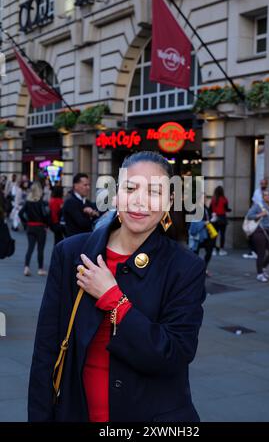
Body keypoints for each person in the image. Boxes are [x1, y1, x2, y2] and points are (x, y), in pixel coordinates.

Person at [28, 151, 206, 422]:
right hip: (76, 412)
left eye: (155, 191)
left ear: (169, 200)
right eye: (130, 188)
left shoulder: (185, 267)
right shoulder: (72, 254)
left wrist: (113, 299)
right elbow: (46, 351)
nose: (139, 201)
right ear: (115, 194)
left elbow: (174, 354)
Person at [246, 189, 269, 283]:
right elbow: (249, 216)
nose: (267, 196)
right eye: (265, 195)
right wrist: (260, 214)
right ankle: (259, 274)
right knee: (261, 253)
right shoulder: (258, 206)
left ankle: (263, 266)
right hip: (259, 231)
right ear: (263, 197)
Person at [19, 182, 49, 277]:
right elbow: (45, 215)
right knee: (40, 249)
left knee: (30, 248)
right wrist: (47, 224)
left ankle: (26, 267)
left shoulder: (28, 202)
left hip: (30, 227)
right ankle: (40, 269)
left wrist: (25, 222)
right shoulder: (40, 202)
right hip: (40, 227)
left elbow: (20, 213)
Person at [243, 179, 269, 259]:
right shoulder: (257, 191)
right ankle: (253, 251)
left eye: (264, 183)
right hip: (257, 216)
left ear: (267, 184)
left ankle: (260, 252)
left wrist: (268, 211)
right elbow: (253, 202)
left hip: (266, 219)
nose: (263, 185)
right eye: (261, 183)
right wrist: (254, 212)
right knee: (251, 233)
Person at [188, 202, 214, 275]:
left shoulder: (206, 208)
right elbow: (192, 225)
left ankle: (203, 268)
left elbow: (209, 218)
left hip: (206, 233)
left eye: (205, 196)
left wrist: (212, 218)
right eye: (203, 196)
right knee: (195, 253)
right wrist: (203, 223)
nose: (204, 198)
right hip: (198, 235)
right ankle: (196, 270)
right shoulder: (194, 210)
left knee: (209, 250)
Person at [209, 186, 231, 256]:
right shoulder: (224, 199)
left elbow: (210, 210)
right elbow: (226, 209)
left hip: (214, 218)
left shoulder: (213, 199)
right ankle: (221, 250)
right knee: (222, 235)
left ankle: (214, 250)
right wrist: (229, 210)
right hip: (222, 218)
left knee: (214, 235)